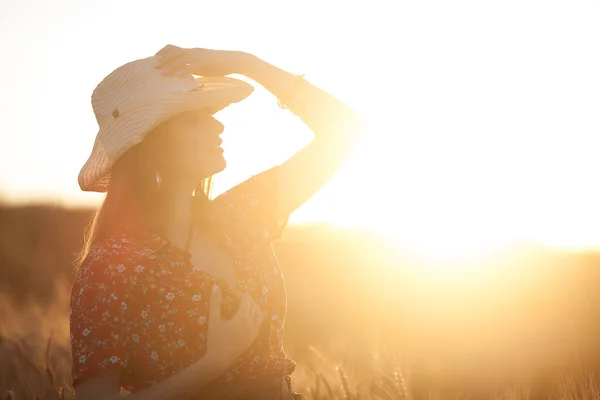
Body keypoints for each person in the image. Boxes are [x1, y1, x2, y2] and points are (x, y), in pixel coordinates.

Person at [70, 44, 364, 400]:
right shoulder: (110, 266)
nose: (218, 124)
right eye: (194, 118)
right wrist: (211, 364)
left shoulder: (241, 215)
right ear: (152, 144)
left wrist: (248, 64)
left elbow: (345, 130)